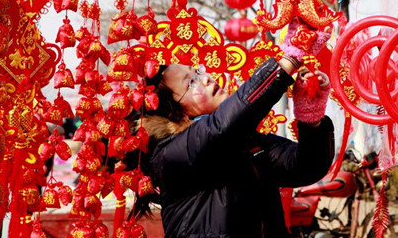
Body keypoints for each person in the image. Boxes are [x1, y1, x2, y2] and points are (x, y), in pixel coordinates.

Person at [125, 19, 335, 238]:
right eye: (190, 83)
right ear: (175, 112)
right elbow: (221, 128)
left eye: (197, 72)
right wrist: (289, 58)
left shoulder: (247, 142)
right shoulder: (171, 153)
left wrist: (311, 120)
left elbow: (305, 167)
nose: (205, 79)